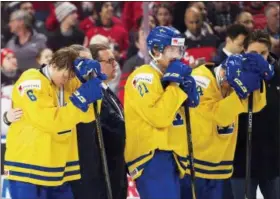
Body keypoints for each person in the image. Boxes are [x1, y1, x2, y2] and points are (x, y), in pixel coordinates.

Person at [4, 47, 106, 199]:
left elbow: (90, 115)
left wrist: (89, 81)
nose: (68, 79)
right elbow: (49, 121)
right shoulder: (31, 81)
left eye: (72, 76)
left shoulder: (69, 82)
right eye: (66, 75)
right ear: (55, 64)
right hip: (28, 167)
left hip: (58, 168)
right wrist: (79, 102)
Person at [179, 47, 274, 199]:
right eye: (231, 85)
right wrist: (240, 95)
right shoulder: (199, 80)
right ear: (223, 73)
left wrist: (258, 81)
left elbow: (256, 106)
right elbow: (218, 116)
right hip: (195, 166)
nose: (230, 89)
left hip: (222, 166)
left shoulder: (232, 80)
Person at [124, 26, 199, 199]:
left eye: (179, 49)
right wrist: (174, 86)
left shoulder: (175, 75)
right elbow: (159, 117)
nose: (177, 55)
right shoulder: (143, 76)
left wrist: (189, 95)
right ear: (156, 50)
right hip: (152, 157)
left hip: (177, 155)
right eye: (171, 49)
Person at [68, 44, 127, 199]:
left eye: (115, 59)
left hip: (116, 166)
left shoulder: (106, 90)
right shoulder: (85, 93)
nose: (115, 64)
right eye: (109, 61)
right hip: (100, 168)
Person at [231, 30, 280, 199]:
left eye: (263, 53)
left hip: (273, 158)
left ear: (269, 52)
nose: (258, 58)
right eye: (253, 53)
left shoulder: (277, 75)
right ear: (244, 51)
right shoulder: (232, 73)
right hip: (241, 158)